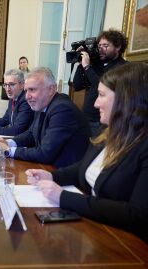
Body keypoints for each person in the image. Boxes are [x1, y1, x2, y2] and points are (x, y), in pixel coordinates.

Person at [26, 62, 148, 243]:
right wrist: (51, 176)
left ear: (126, 100)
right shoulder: (107, 133)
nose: (95, 103)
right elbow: (83, 168)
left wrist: (63, 196)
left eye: (101, 95)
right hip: (95, 231)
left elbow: (137, 215)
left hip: (126, 245)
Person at [0, 67, 90, 168]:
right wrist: (9, 142)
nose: (27, 96)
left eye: (32, 90)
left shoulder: (62, 109)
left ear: (51, 89)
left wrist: (8, 150)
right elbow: (31, 134)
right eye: (26, 91)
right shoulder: (42, 104)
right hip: (48, 168)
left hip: (64, 174)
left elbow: (45, 153)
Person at [73, 29, 128, 136]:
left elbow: (103, 87)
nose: (101, 49)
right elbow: (77, 86)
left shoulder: (123, 67)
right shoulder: (95, 64)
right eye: (99, 46)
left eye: (105, 46)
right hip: (86, 117)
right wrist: (81, 63)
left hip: (104, 122)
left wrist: (87, 67)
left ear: (118, 47)